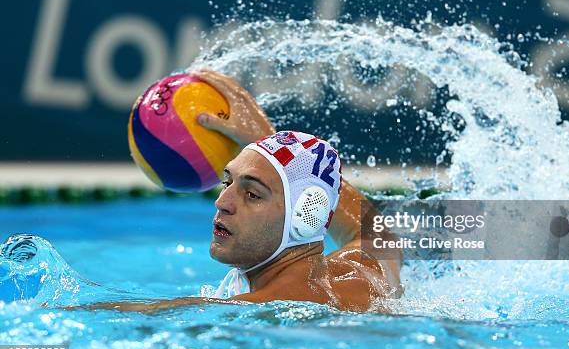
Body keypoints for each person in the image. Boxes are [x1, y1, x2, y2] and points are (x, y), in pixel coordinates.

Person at [85, 71, 403, 313]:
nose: (222, 202)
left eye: (252, 194)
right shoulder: (363, 278)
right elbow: (380, 235)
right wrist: (268, 141)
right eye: (227, 182)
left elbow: (138, 316)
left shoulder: (258, 311)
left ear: (306, 215)